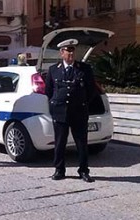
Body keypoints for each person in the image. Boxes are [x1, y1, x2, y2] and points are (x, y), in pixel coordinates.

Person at [45, 39, 98, 183]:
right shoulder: (53, 70)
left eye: (73, 51)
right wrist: (55, 105)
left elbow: (92, 90)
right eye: (68, 51)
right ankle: (59, 170)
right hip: (60, 112)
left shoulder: (84, 69)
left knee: (81, 143)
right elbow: (49, 91)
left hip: (79, 112)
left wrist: (82, 103)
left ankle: (84, 171)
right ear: (62, 53)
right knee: (60, 142)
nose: (71, 54)